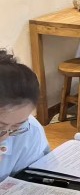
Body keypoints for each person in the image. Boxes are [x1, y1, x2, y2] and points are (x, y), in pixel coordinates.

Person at [0, 50, 50, 180]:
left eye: (16, 127)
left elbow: (31, 181)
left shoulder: (30, 130)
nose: (5, 136)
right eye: (0, 127)